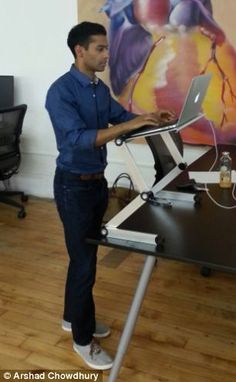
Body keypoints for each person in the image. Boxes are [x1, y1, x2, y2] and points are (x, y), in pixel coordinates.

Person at [45, 21, 175, 370]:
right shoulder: (60, 92)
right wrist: (128, 126)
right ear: (80, 51)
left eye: (107, 48)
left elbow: (121, 117)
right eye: (100, 48)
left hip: (95, 183)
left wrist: (147, 118)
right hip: (73, 186)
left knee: (83, 258)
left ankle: (74, 318)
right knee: (84, 263)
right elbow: (76, 139)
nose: (107, 54)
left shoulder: (97, 90)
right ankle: (82, 341)